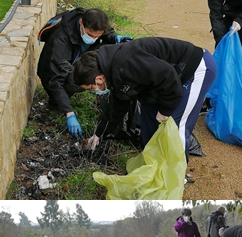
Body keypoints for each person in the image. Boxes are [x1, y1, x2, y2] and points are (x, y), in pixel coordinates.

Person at [72, 37, 217, 161]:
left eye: (91, 88)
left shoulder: (125, 64)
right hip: (161, 83)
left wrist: (165, 110)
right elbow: (117, 105)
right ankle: (154, 166)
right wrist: (98, 135)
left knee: (176, 125)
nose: (94, 92)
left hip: (195, 69)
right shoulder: (110, 71)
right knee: (149, 125)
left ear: (99, 78)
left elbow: (168, 75)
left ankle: (175, 178)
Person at [37, 8, 130, 138]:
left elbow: (106, 32)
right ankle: (56, 102)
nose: (93, 39)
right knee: (75, 80)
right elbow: (55, 81)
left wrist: (115, 38)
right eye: (90, 35)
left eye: (97, 36)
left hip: (79, 58)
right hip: (54, 73)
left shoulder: (94, 22)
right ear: (81, 22)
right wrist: (69, 113)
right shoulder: (61, 41)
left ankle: (103, 91)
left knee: (108, 51)